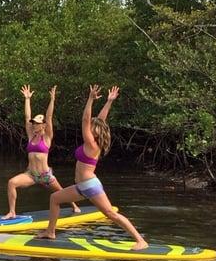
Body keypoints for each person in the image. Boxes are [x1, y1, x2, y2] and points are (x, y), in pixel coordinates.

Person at [37, 85, 148, 250]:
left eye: (93, 127)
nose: (90, 126)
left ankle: (140, 240)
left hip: (90, 186)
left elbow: (85, 120)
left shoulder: (91, 144)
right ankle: (50, 231)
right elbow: (100, 121)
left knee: (111, 214)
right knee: (55, 199)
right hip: (81, 186)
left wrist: (90, 99)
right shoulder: (92, 140)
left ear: (96, 132)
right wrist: (109, 102)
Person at [2, 85, 81, 219]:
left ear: (43, 125)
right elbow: (27, 116)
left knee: (61, 192)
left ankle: (74, 206)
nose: (34, 125)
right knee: (11, 183)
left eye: (37, 123)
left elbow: (49, 116)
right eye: (34, 123)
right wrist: (27, 99)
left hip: (45, 175)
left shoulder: (47, 137)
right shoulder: (31, 135)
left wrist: (52, 100)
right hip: (31, 175)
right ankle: (12, 212)